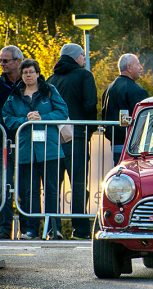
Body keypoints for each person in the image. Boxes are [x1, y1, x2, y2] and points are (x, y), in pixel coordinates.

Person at [3, 59, 69, 240]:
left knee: (51, 190)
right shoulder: (15, 94)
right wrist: (25, 120)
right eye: (25, 73)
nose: (28, 75)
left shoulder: (49, 90)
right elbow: (7, 117)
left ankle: (53, 229)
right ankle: (30, 230)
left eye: (31, 72)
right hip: (26, 151)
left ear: (38, 73)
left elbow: (62, 111)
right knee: (28, 192)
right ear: (22, 75)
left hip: (49, 150)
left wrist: (42, 117)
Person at [47, 43, 97, 240]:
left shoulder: (51, 79)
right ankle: (81, 229)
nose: (84, 59)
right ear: (76, 57)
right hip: (77, 137)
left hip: (53, 139)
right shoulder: (84, 75)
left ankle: (54, 228)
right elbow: (90, 103)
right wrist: (90, 129)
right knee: (78, 182)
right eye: (83, 56)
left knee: (54, 185)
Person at [102, 53, 149, 165]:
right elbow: (144, 118)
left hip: (115, 142)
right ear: (129, 67)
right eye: (138, 64)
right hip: (132, 146)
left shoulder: (109, 89)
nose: (140, 67)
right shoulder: (136, 90)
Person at [0, 45, 23, 239]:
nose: (2, 64)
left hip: (26, 142)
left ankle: (29, 230)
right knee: (4, 186)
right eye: (1, 60)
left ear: (18, 62)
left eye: (5, 61)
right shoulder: (0, 84)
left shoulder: (31, 82)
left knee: (26, 186)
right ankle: (4, 230)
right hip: (3, 143)